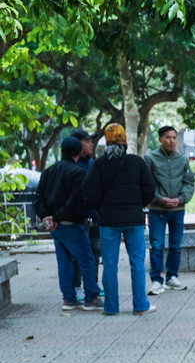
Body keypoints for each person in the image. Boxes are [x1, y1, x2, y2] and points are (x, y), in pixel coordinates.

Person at [81, 124, 156, 315]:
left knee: (109, 264)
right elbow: (149, 188)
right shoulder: (136, 162)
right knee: (137, 262)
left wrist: (101, 207)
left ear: (106, 143)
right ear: (125, 142)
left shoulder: (99, 164)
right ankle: (140, 305)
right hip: (134, 220)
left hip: (108, 221)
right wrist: (140, 203)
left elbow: (89, 192)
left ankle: (111, 307)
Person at [35, 137, 101, 312]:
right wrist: (56, 217)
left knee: (64, 262)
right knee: (87, 259)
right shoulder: (78, 173)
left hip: (55, 226)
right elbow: (75, 200)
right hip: (71, 223)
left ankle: (69, 299)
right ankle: (91, 297)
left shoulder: (48, 171)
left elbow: (38, 198)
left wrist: (48, 217)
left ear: (62, 151)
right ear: (79, 152)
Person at [145, 125, 195, 294]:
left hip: (177, 209)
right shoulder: (150, 158)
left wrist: (180, 199)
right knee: (157, 245)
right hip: (157, 209)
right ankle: (157, 280)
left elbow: (189, 183)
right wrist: (159, 199)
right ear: (160, 139)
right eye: (167, 137)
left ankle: (172, 277)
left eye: (174, 137)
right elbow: (146, 184)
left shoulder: (182, 160)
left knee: (175, 245)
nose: (171, 141)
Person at [69, 128, 103, 300]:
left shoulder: (92, 163)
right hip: (78, 218)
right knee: (77, 254)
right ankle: (76, 286)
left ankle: (93, 284)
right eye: (87, 140)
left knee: (95, 250)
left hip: (95, 215)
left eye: (91, 140)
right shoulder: (71, 166)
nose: (91, 143)